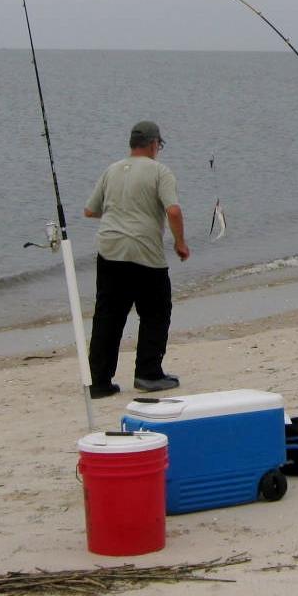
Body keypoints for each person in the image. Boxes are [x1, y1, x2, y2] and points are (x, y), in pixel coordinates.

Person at [83, 120, 189, 396]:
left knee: (108, 315)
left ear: (132, 144)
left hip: (109, 249)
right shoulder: (160, 172)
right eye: (159, 145)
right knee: (156, 312)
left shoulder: (112, 170)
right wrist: (180, 243)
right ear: (155, 144)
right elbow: (174, 211)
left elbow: (90, 211)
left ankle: (100, 382)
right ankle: (148, 373)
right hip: (144, 252)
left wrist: (120, 210)